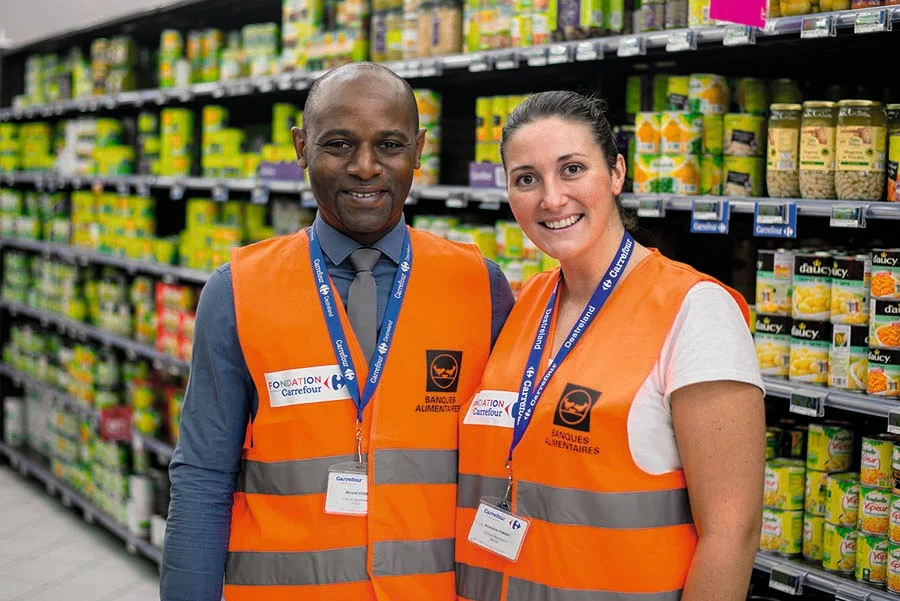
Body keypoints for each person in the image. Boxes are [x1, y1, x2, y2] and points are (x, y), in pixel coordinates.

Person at [160, 62, 515, 601]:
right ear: (302, 148)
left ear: (419, 149)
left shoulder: (479, 286)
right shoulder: (236, 291)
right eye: (340, 144)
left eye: (390, 145)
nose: (366, 167)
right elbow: (203, 475)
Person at [455, 91, 765, 601]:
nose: (551, 198)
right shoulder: (523, 305)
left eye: (572, 169)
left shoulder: (695, 309)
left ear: (617, 172)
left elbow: (733, 534)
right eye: (526, 179)